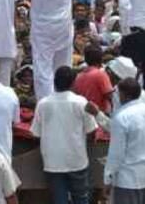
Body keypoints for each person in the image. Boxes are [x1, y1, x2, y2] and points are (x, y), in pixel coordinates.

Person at [32, 66, 97, 204]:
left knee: (59, 199)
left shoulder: (43, 104)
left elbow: (36, 134)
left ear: (54, 82)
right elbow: (91, 131)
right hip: (76, 159)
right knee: (81, 198)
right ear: (73, 83)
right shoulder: (81, 102)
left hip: (53, 161)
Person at [103, 78, 145, 204]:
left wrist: (107, 179)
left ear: (124, 95)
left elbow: (116, 154)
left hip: (128, 180)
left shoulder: (122, 118)